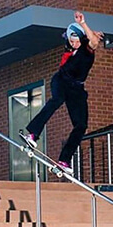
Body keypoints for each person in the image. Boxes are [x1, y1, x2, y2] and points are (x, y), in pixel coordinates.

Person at [23, 11, 103, 174]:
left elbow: (94, 41)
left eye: (75, 41)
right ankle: (33, 134)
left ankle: (64, 160)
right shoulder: (70, 52)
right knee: (57, 100)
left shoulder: (87, 50)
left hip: (77, 89)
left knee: (81, 125)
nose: (73, 44)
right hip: (61, 80)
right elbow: (89, 38)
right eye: (71, 41)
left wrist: (83, 24)